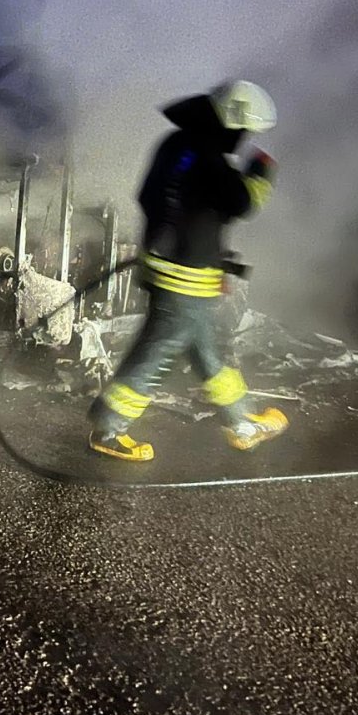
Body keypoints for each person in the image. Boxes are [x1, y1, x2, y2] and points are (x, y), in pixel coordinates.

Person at [89, 80, 289, 461]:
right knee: (158, 352)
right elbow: (242, 203)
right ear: (231, 124)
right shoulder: (210, 159)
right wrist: (262, 172)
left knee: (206, 352)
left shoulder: (177, 146)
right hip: (185, 278)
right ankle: (109, 430)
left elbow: (150, 198)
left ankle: (242, 423)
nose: (245, 137)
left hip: (176, 270)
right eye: (244, 130)